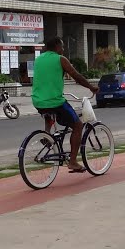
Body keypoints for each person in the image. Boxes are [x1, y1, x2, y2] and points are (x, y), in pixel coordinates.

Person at [31, 36, 98, 172]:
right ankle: (73, 161)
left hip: (37, 101)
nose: (63, 49)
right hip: (55, 101)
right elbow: (76, 76)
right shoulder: (60, 59)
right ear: (56, 46)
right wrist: (91, 87)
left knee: (48, 113)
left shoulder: (38, 60)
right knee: (78, 125)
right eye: (62, 46)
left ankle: (47, 135)